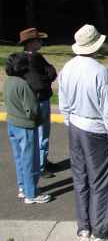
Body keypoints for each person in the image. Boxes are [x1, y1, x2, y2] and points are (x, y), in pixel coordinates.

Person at [59, 25, 108, 241]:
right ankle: (101, 232)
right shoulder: (99, 71)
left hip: (75, 126)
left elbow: (63, 102)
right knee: (102, 181)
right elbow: (107, 108)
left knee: (80, 177)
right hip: (96, 129)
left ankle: (84, 227)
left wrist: (69, 120)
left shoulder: (67, 67)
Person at [4, 53, 52, 204]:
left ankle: (22, 187)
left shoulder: (8, 81)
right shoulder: (24, 85)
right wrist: (39, 119)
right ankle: (31, 194)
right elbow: (31, 110)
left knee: (19, 158)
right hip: (25, 127)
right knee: (30, 160)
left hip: (12, 123)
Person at [19, 27, 57, 178]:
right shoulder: (33, 59)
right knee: (42, 133)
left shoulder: (24, 59)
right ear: (30, 43)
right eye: (38, 40)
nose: (41, 42)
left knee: (39, 133)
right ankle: (41, 165)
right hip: (40, 99)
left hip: (31, 100)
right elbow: (47, 75)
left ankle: (42, 160)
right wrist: (49, 75)